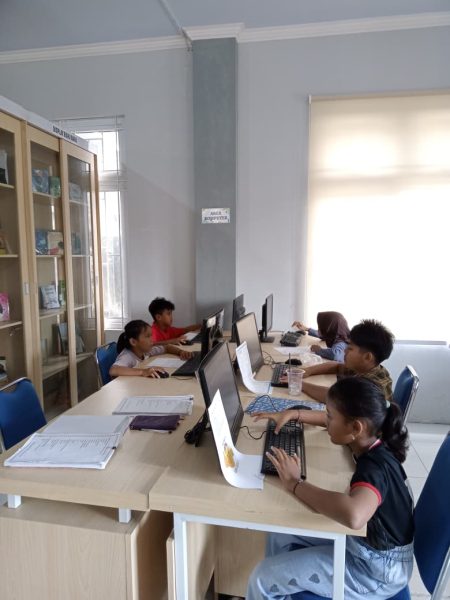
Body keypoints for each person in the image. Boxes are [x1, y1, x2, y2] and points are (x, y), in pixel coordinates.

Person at [247, 377, 414, 600]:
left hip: (376, 572)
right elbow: (339, 425)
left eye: (329, 416)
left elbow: (355, 516)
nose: (326, 421)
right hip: (366, 547)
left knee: (261, 578)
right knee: (280, 533)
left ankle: (270, 588)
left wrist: (295, 484)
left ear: (356, 427)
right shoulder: (370, 439)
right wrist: (294, 414)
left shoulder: (374, 467)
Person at [294, 319, 394, 410]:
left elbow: (337, 398)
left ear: (367, 357)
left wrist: (299, 383)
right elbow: (336, 366)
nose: (345, 351)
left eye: (350, 348)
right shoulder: (365, 367)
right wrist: (307, 371)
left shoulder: (371, 386)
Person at [109, 319, 192, 378]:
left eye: (151, 335)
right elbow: (113, 370)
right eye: (148, 336)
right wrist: (143, 371)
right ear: (133, 342)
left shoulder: (145, 351)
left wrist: (181, 352)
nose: (152, 339)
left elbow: (167, 347)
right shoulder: (127, 355)